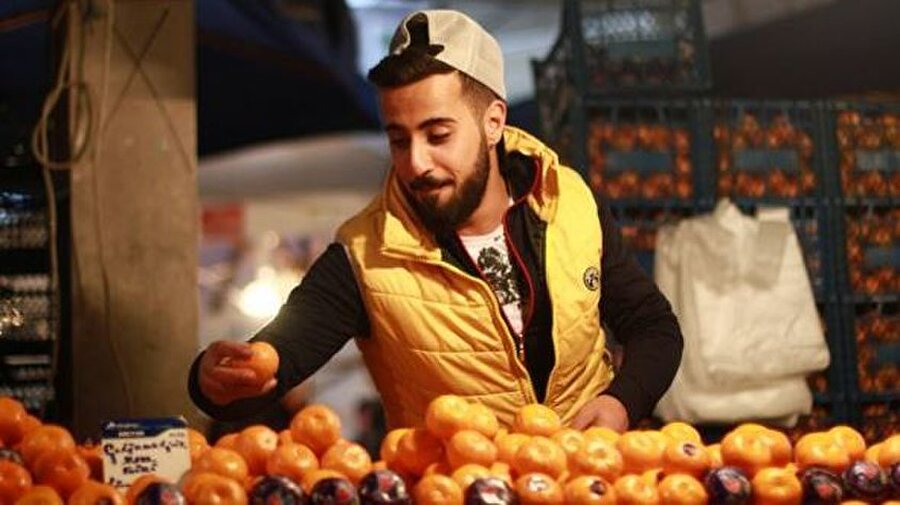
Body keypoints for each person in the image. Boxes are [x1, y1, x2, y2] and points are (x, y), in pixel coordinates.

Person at [189, 9, 683, 433]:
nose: (415, 162)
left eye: (438, 134)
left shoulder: (570, 202)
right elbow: (281, 354)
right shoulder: (364, 255)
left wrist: (622, 402)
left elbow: (654, 328)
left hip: (587, 482)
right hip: (453, 488)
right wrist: (223, 379)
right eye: (399, 140)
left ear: (493, 122)